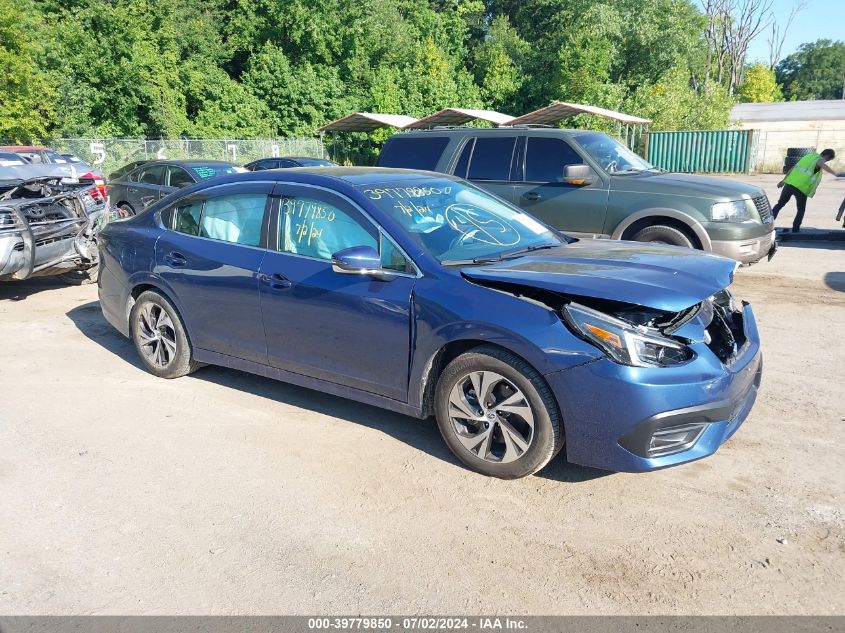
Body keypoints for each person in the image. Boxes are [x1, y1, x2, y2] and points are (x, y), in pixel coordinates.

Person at [772, 148, 837, 233]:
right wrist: (836, 174)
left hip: (789, 184)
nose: (827, 161)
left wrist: (783, 181)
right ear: (827, 156)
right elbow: (822, 164)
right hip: (801, 188)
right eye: (828, 159)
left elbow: (793, 168)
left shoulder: (808, 156)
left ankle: (767, 225)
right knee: (801, 209)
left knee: (779, 204)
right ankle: (795, 229)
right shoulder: (818, 160)